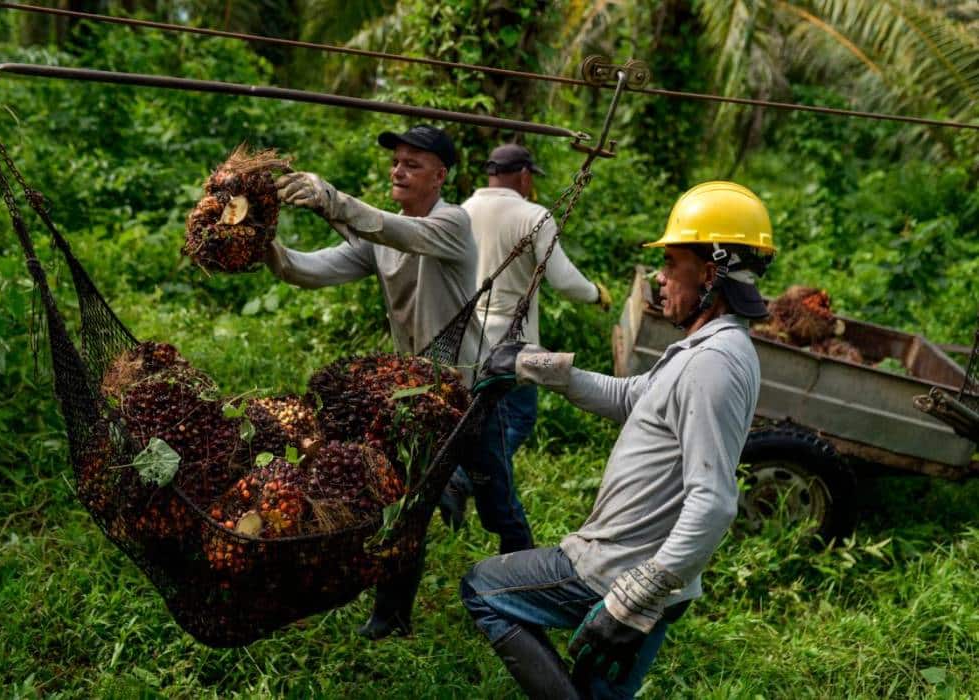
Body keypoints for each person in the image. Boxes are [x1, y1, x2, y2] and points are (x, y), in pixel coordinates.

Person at [460, 181, 776, 698]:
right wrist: (535, 366)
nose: (661, 276)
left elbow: (715, 502)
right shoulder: (709, 348)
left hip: (616, 571)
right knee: (599, 689)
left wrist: (636, 596)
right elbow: (634, 397)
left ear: (711, 271)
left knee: (483, 587)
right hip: (645, 574)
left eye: (672, 263)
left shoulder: (712, 365)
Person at [267, 124, 483, 640]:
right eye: (396, 162)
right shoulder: (380, 238)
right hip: (412, 391)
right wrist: (265, 244)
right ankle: (392, 615)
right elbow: (309, 270)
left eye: (413, 163)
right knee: (402, 500)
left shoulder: (451, 225)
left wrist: (332, 200)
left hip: (465, 390)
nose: (399, 170)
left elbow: (393, 230)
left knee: (499, 505)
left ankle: (511, 574)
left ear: (440, 176)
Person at [440, 143, 612, 553]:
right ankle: (463, 482)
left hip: (466, 339)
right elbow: (564, 279)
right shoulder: (534, 216)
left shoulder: (462, 210)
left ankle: (459, 478)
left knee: (479, 418)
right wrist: (596, 294)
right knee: (519, 414)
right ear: (524, 177)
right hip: (511, 344)